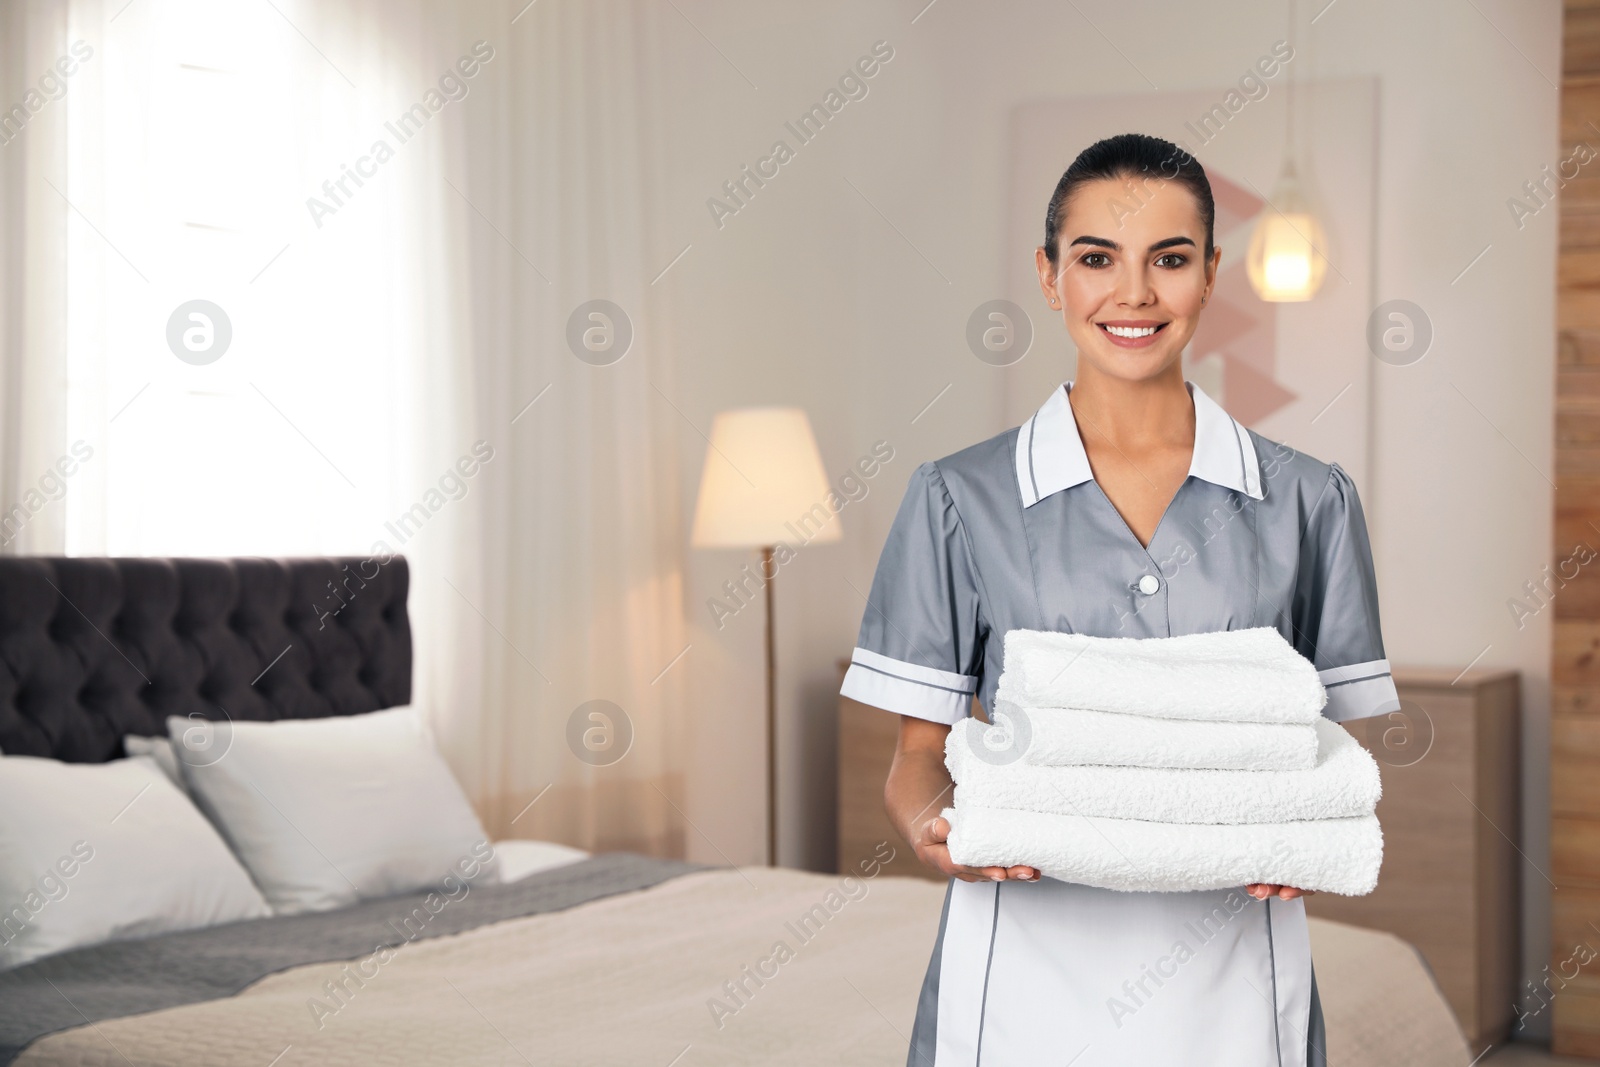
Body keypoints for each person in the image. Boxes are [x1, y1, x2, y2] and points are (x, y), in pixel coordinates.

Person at [838, 133, 1399, 1066]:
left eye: (1168, 260)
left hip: (1235, 973)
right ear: (1050, 277)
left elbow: (1336, 748)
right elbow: (916, 759)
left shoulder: (1309, 499)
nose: (1132, 294)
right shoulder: (957, 498)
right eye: (1096, 258)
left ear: (1210, 275)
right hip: (1018, 970)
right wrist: (940, 831)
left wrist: (1297, 832)